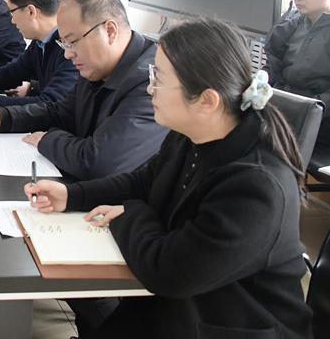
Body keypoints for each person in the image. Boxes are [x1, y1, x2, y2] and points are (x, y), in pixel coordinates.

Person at [25, 18, 312, 339]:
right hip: (180, 310)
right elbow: (141, 182)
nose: (149, 88)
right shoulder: (191, 135)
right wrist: (72, 195)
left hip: (229, 324)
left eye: (158, 79)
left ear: (207, 101)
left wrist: (130, 213)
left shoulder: (257, 187)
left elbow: (170, 273)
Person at [0, 0, 167, 180]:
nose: (67, 54)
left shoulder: (152, 82)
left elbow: (99, 162)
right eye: (64, 44)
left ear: (110, 31)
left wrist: (47, 140)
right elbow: (59, 112)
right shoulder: (97, 67)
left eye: (72, 42)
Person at [266, 0, 330, 168]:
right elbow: (274, 67)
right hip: (283, 108)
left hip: (319, 121)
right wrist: (260, 81)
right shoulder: (292, 24)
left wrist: (308, 110)